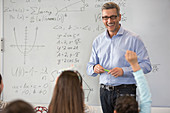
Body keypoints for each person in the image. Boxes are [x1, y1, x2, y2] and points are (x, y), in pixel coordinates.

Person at [86, 2, 152, 113]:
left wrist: (124, 71)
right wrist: (94, 68)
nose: (109, 21)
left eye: (113, 17)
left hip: (126, 91)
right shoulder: (98, 41)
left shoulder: (134, 39)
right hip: (104, 92)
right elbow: (89, 67)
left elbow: (147, 66)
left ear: (119, 17)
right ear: (102, 19)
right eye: (105, 18)